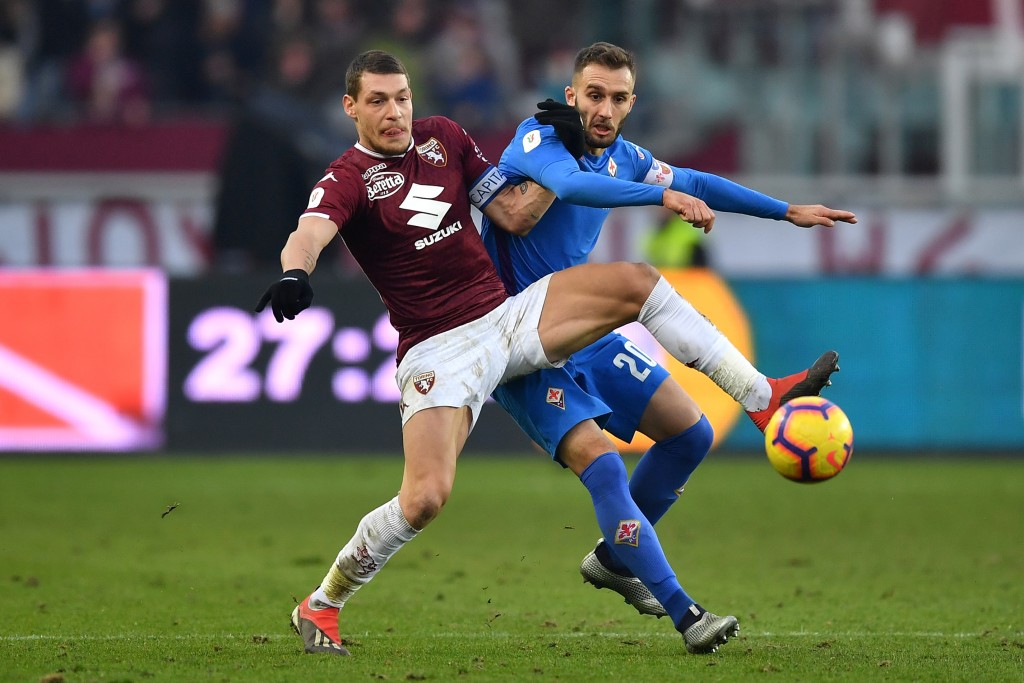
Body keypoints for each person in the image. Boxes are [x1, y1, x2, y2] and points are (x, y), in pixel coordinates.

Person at [256, 49, 838, 658]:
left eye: (402, 97)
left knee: (644, 299)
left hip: (510, 316)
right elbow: (310, 230)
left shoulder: (446, 139)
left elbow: (511, 210)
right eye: (377, 101)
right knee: (425, 498)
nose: (395, 111)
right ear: (350, 108)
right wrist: (296, 271)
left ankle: (756, 407)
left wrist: (783, 210)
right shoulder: (348, 176)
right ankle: (323, 601)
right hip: (439, 346)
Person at [478, 41, 856, 625]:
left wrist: (785, 211)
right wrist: (662, 195)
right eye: (594, 95)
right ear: (572, 94)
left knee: (690, 435)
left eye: (618, 98)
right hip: (516, 341)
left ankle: (614, 561)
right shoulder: (539, 137)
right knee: (605, 466)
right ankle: (687, 614)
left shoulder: (625, 156)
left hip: (580, 328)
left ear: (633, 103)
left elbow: (697, 179)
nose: (604, 110)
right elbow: (573, 187)